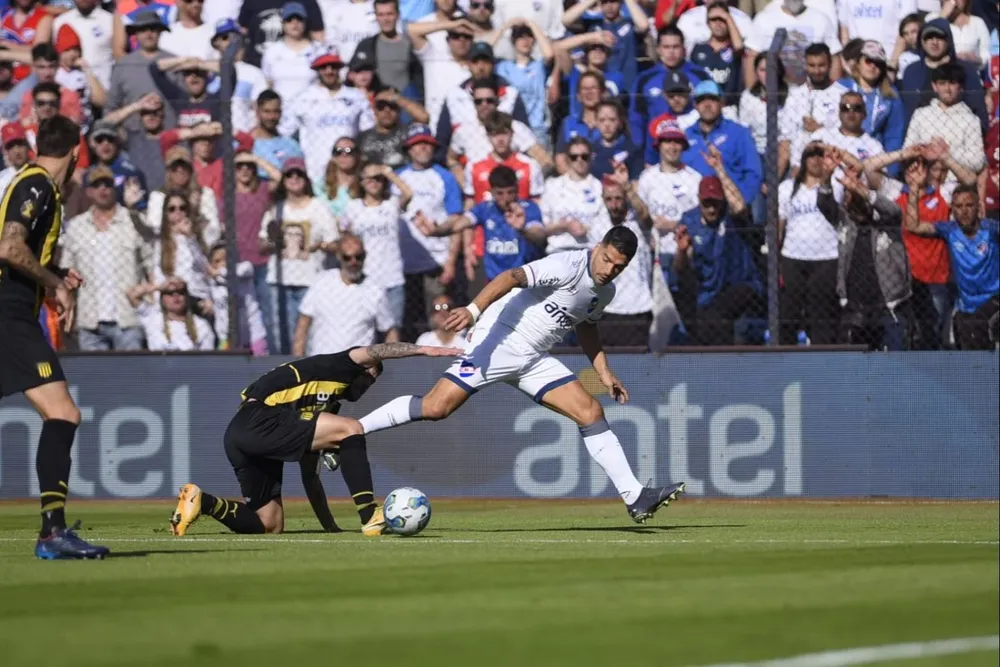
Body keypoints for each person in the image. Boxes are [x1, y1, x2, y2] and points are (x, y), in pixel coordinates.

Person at [358, 226, 686, 524]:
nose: (608, 270)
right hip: (500, 342)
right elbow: (512, 276)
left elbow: (586, 324)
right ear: (598, 247)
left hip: (533, 359)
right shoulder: (566, 265)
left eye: (618, 267)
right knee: (435, 408)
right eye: (607, 260)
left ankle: (635, 497)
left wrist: (603, 371)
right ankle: (355, 429)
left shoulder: (606, 291)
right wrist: (473, 312)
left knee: (591, 412)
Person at [169, 341, 462, 537]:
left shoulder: (324, 409)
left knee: (270, 525)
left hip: (242, 435)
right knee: (352, 429)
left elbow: (310, 476)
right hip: (258, 418)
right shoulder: (339, 365)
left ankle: (202, 501)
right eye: (370, 379)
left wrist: (330, 528)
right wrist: (423, 349)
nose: (368, 387)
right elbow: (376, 350)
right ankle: (370, 515)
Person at [0, 114, 110, 559]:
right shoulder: (38, 183)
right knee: (63, 414)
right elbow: (9, 247)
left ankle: (53, 532)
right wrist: (55, 282)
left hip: (11, 306)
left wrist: (54, 274)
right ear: (77, 150)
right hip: (7, 313)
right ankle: (52, 533)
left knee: (61, 413)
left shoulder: (31, 184)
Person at [904, 176, 999, 350]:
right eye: (959, 206)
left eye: (969, 205)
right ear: (952, 209)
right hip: (966, 306)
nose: (964, 211)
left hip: (994, 301)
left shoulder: (992, 229)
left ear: (978, 207)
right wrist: (914, 190)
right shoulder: (949, 230)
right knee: (967, 349)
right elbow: (912, 225)